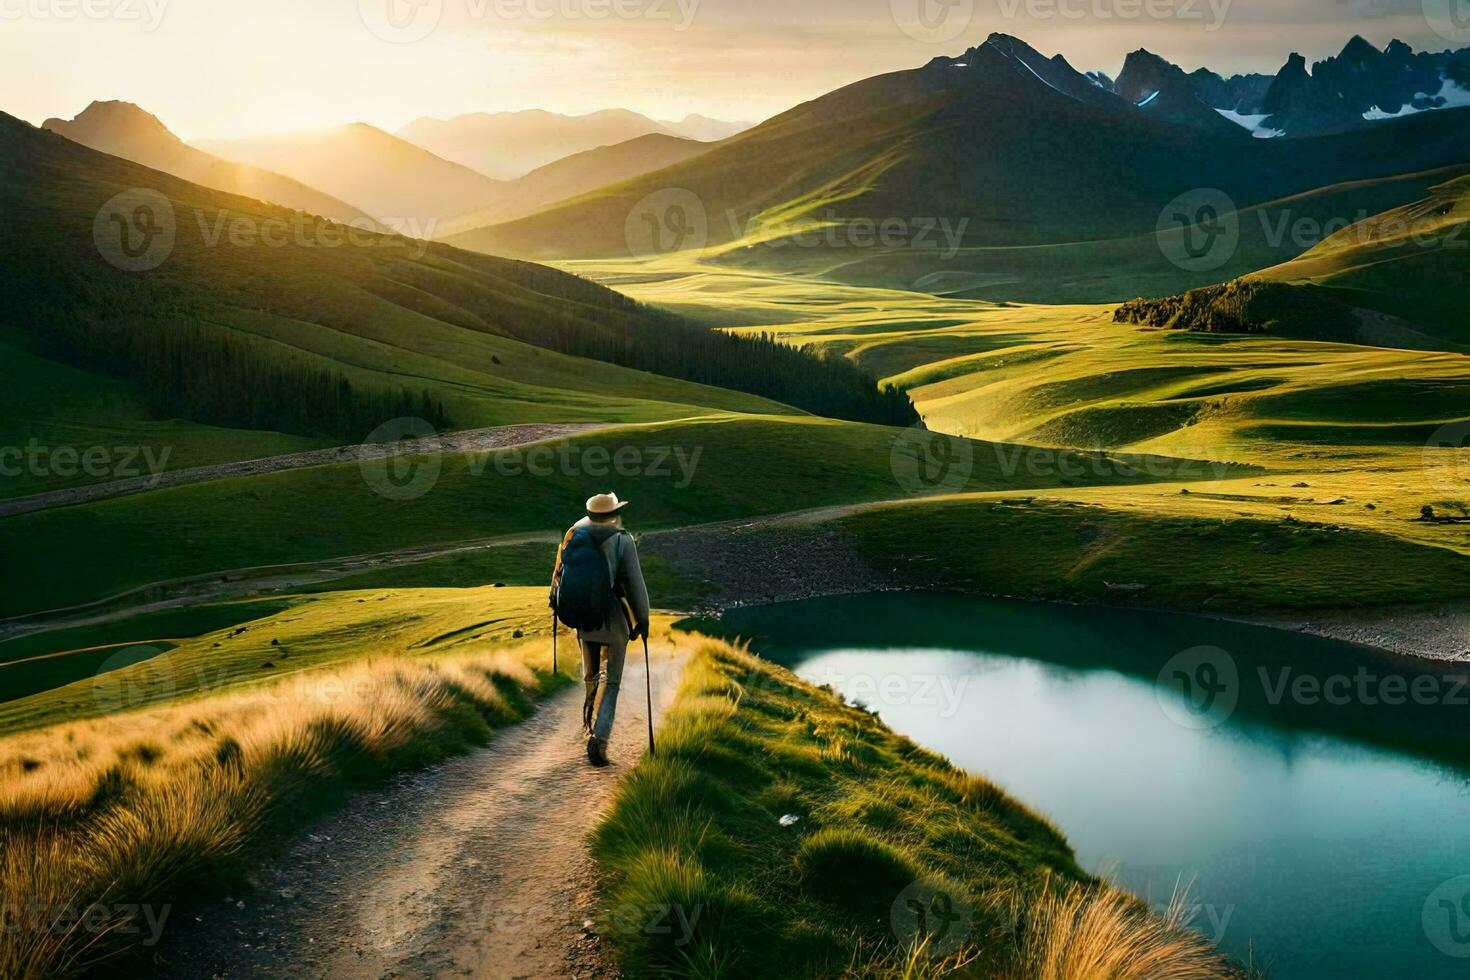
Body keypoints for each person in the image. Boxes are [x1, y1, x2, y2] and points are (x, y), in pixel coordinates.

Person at [549, 491, 651, 766]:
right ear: (614, 513)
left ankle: (588, 726)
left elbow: (558, 575)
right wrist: (643, 620)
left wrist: (556, 604)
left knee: (591, 676)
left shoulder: (574, 532)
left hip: (585, 620)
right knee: (612, 682)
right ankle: (599, 738)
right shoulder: (622, 539)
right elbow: (635, 586)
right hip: (613, 620)